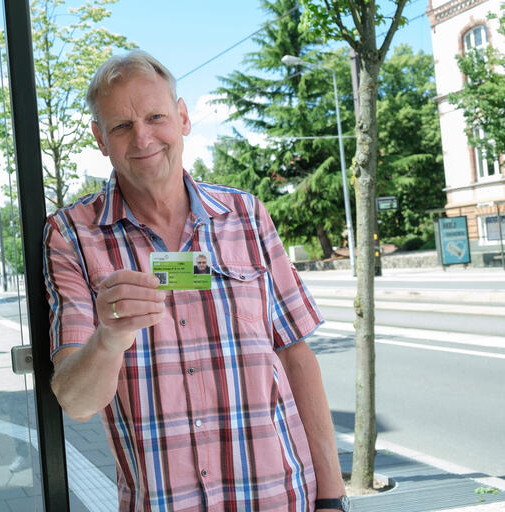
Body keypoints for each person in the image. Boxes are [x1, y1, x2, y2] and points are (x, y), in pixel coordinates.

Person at [43, 51, 347, 512]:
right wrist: (110, 338)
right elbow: (76, 400)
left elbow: (296, 356)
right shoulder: (71, 235)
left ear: (182, 118)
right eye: (121, 126)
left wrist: (331, 496)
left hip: (280, 496)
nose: (142, 137)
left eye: (155, 116)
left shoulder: (245, 215)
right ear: (100, 138)